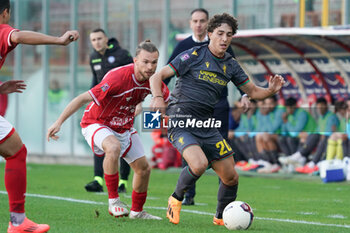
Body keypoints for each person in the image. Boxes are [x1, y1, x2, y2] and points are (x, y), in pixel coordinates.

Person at [149, 13, 284, 225]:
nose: (224, 39)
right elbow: (157, 76)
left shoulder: (231, 65)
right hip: (181, 119)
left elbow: (253, 91)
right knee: (199, 164)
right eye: (220, 33)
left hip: (207, 124)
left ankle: (221, 218)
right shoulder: (192, 55)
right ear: (210, 34)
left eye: (229, 35)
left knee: (231, 176)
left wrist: (271, 90)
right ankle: (175, 199)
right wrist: (157, 97)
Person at [47, 40, 167, 220]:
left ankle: (137, 212)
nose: (150, 67)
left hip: (124, 126)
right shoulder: (117, 78)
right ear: (135, 60)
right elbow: (82, 98)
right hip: (96, 122)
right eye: (146, 62)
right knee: (113, 147)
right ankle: (114, 201)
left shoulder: (154, 81)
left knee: (144, 169)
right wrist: (58, 122)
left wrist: (173, 123)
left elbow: (169, 106)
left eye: (154, 62)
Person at [0, 1, 79, 232]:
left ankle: (18, 222)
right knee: (16, 152)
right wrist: (59, 40)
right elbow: (18, 36)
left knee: (15, 150)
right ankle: (17, 223)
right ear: (5, 12)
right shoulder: (2, 29)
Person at [165, 8, 249, 206]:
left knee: (223, 151)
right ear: (191, 23)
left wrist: (245, 94)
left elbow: (238, 75)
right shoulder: (185, 47)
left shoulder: (224, 47)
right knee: (194, 155)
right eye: (196, 21)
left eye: (202, 20)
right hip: (188, 110)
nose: (199, 24)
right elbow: (166, 74)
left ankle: (226, 196)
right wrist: (160, 98)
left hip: (218, 105)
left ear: (207, 24)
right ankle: (188, 194)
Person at [85, 28, 134, 193]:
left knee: (123, 143)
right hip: (103, 107)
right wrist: (91, 100)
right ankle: (98, 179)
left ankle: (123, 182)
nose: (96, 42)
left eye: (99, 38)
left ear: (106, 39)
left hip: (123, 106)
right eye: (93, 40)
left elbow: (134, 76)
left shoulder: (122, 55)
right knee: (100, 141)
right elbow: (95, 81)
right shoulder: (93, 58)